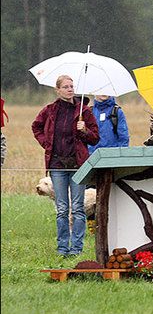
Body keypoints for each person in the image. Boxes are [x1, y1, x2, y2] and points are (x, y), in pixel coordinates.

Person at [31, 75, 100, 257]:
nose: (70, 89)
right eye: (66, 87)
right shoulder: (50, 110)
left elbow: (95, 137)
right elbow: (36, 126)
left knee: (77, 208)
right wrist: (47, 143)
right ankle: (62, 247)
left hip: (77, 165)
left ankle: (76, 248)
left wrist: (84, 130)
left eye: (72, 86)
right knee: (62, 209)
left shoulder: (84, 111)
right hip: (56, 165)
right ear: (58, 90)